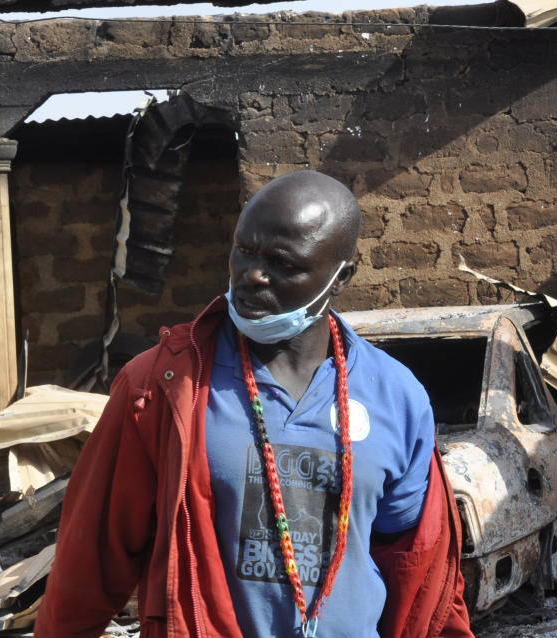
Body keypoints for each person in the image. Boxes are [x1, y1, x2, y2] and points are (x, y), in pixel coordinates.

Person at [34, 170, 474, 638]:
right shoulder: (163, 386)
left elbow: (422, 572)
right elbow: (90, 562)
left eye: (283, 263)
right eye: (244, 250)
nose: (253, 274)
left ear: (341, 276)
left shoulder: (395, 395)